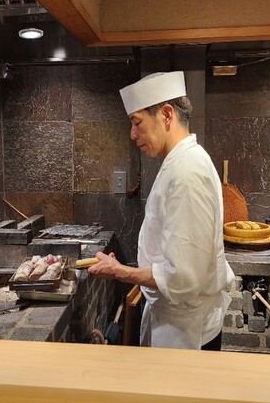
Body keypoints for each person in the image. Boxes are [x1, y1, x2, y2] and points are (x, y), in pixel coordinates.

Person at [88, 71, 234, 350]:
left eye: (137, 122)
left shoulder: (187, 173)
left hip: (185, 332)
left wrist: (120, 271)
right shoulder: (181, 162)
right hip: (175, 321)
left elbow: (182, 278)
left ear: (167, 115)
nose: (132, 134)